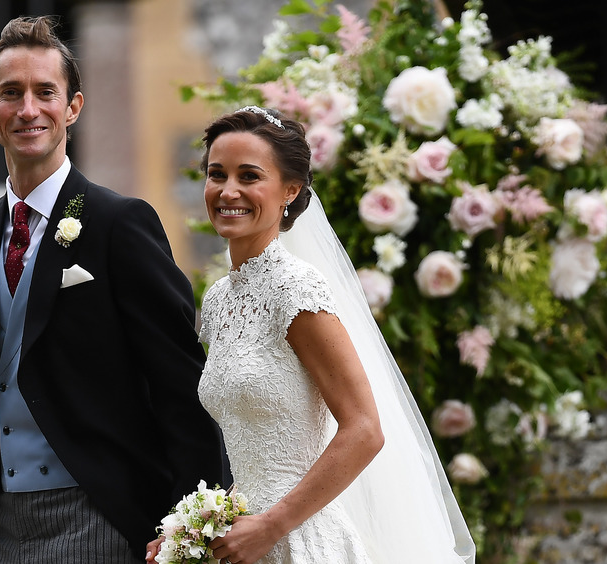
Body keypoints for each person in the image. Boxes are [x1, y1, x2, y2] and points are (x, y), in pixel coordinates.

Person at [0, 15, 226, 564]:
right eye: (10, 94)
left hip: (102, 518)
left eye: (46, 92)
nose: (29, 109)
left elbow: (182, 388)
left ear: (74, 107)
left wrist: (196, 530)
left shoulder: (119, 223)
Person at [147, 107, 475, 564]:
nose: (228, 191)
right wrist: (193, 530)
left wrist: (273, 525)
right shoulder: (220, 299)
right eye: (216, 174)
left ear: (290, 190)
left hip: (298, 540)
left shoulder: (297, 289)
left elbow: (365, 429)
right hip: (243, 538)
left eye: (249, 176)